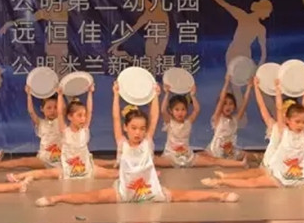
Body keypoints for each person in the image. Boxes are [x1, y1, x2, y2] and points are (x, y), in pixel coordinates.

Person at [33, 83, 239, 206]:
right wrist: (116, 95)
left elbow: (154, 116)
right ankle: (55, 199)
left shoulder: (147, 142)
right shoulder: (122, 143)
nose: (138, 132)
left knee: (182, 195)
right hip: (125, 191)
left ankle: (220, 195)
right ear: (126, 128)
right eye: (134, 128)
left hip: (149, 190)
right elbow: (116, 118)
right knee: (92, 197)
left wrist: (155, 96)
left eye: (141, 129)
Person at [8, 86, 118, 182]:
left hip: (86, 168)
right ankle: (17, 176)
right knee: (44, 173)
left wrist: (90, 93)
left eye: (84, 116)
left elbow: (90, 111)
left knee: (112, 174)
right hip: (67, 169)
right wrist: (60, 95)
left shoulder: (84, 130)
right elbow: (60, 113)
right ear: (69, 117)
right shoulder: (65, 131)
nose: (83, 119)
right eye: (79, 115)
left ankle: (123, 166)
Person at [153, 83, 247, 169]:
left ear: (186, 110)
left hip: (188, 157)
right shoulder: (170, 122)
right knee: (153, 160)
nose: (180, 112)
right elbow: (163, 110)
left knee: (213, 161)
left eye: (183, 109)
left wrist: (192, 95)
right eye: (177, 110)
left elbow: (197, 110)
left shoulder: (188, 122)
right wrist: (167, 94)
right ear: (171, 111)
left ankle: (240, 164)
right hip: (171, 157)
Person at [205, 74, 252, 160]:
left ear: (234, 106)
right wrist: (227, 83)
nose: (228, 106)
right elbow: (221, 99)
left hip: (230, 150)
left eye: (231, 104)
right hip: (217, 150)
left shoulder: (235, 119)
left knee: (249, 156)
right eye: (225, 104)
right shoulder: (217, 118)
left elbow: (244, 103)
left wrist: (249, 87)